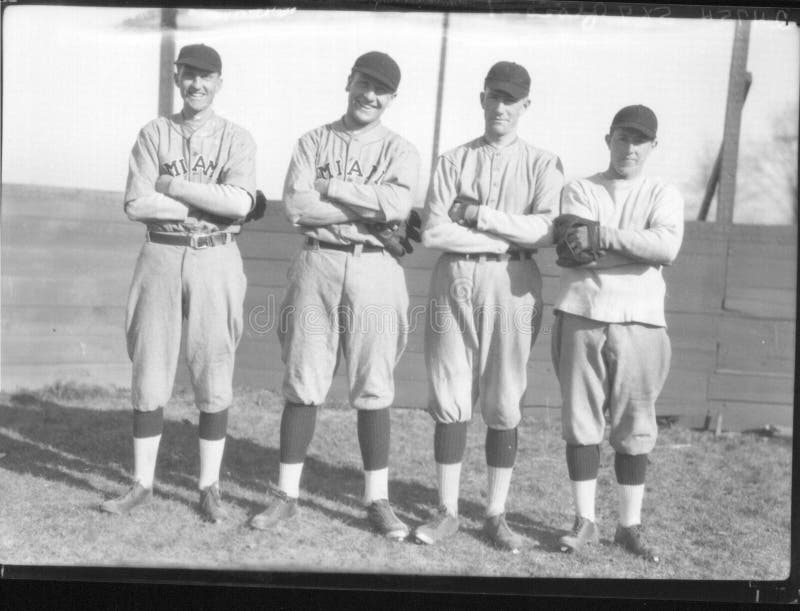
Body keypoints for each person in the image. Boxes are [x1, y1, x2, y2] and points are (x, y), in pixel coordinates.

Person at [248, 51, 420, 540]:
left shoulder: (399, 148)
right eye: (364, 83)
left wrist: (333, 186)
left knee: (373, 382)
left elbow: (397, 205)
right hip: (318, 261)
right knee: (303, 376)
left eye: (381, 89)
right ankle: (285, 495)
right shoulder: (313, 140)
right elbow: (299, 206)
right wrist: (366, 214)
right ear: (349, 81)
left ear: (391, 98)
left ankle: (377, 499)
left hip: (376, 270)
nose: (370, 95)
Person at [101, 43, 257, 523]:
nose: (197, 84)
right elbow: (135, 203)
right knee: (150, 364)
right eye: (189, 74)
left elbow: (241, 203)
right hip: (162, 254)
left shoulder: (237, 138)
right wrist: (200, 206)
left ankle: (208, 485)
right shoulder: (154, 133)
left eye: (206, 76)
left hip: (216, 257)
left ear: (219, 82)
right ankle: (141, 483)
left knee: (213, 365)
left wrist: (174, 188)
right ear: (177, 77)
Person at [415, 62, 563, 552]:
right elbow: (435, 231)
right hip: (456, 275)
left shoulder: (543, 163)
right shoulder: (453, 159)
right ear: (482, 99)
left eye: (512, 99)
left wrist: (480, 215)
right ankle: (448, 510)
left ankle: (495, 513)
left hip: (514, 279)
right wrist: (505, 230)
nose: (501, 106)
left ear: (526, 105)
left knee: (503, 396)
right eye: (495, 96)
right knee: (450, 390)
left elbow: (544, 231)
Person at [551, 104, 684, 562]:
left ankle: (629, 526)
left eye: (640, 140)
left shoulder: (662, 191)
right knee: (581, 419)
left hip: (642, 321)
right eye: (623, 137)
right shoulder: (580, 188)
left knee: (635, 426)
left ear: (652, 146)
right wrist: (637, 251)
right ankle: (584, 519)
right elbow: (575, 251)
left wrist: (603, 237)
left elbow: (666, 246)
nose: (630, 147)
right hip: (582, 313)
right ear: (608, 138)